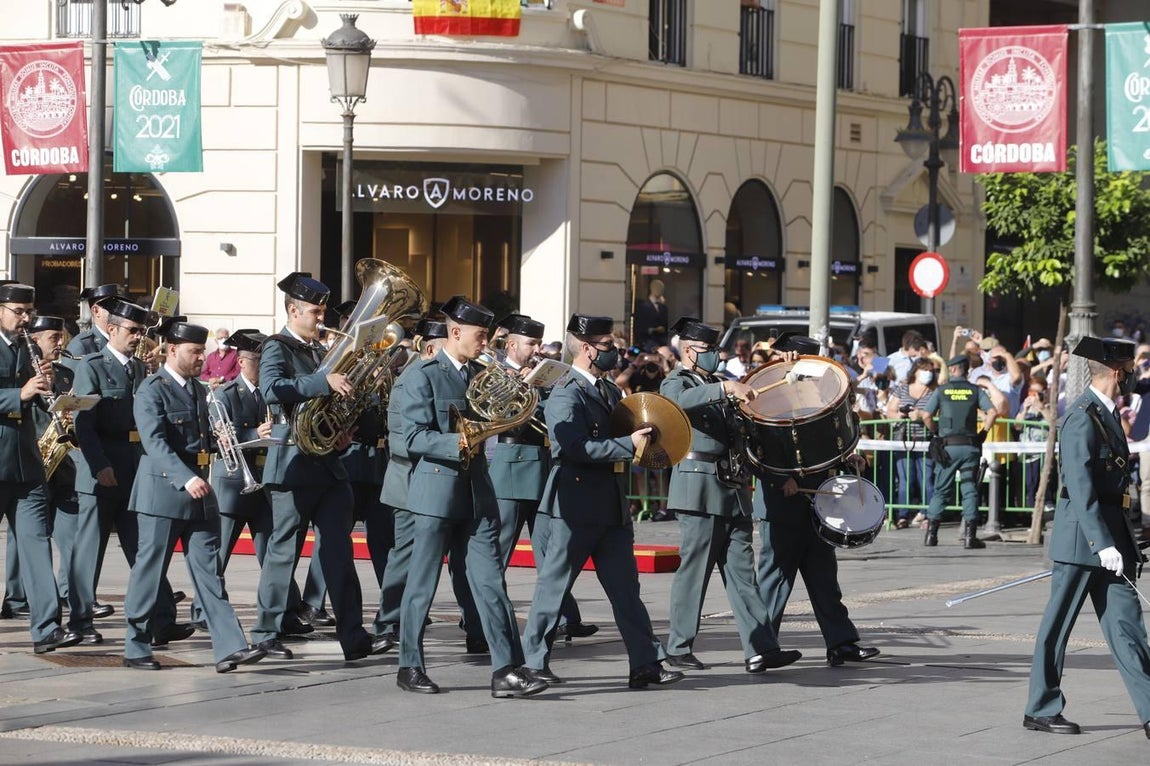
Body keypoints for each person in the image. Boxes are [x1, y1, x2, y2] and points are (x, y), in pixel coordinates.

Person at [520, 313, 684, 690]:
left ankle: (646, 662)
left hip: (609, 505)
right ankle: (532, 663)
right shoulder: (566, 391)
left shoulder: (607, 389)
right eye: (608, 345)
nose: (615, 351)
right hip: (574, 505)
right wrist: (628, 445)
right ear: (588, 349)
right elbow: (572, 447)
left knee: (626, 590)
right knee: (554, 588)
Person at [392, 296, 544, 698]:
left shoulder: (481, 373)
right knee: (421, 584)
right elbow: (412, 438)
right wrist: (457, 441)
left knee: (491, 581)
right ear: (455, 332)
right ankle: (409, 665)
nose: (486, 343)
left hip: (477, 492)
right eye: (480, 335)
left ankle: (506, 669)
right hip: (436, 492)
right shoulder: (422, 375)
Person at [251, 272, 388, 663]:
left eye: (323, 311)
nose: (321, 317)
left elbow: (329, 405)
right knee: (282, 553)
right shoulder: (277, 346)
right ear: (294, 311)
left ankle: (353, 636)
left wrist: (343, 431)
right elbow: (272, 389)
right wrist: (323, 381)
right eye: (315, 311)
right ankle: (265, 632)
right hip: (292, 465)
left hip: (329, 465)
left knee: (339, 552)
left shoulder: (319, 351)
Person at [121, 320, 267, 673]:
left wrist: (225, 438)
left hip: (200, 493)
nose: (202, 357)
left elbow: (204, 439)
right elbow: (154, 442)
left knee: (210, 573)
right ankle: (136, 646)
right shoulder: (152, 390)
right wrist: (185, 478)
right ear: (172, 350)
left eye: (203, 351)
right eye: (194, 351)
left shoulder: (200, 391)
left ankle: (231, 646)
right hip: (163, 493)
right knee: (150, 571)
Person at [1024, 336, 1150, 739]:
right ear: (1115, 370)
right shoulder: (1082, 416)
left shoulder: (1106, 413)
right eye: (1129, 369)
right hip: (1083, 542)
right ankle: (1041, 708)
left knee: (1128, 628)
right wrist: (1102, 542)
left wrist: (1120, 542)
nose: (1132, 376)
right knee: (1057, 628)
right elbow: (1080, 487)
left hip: (1112, 542)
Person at [660, 317, 802, 673]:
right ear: (688, 351)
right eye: (708, 350)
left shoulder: (716, 384)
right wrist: (726, 389)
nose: (715, 356)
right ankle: (678, 646)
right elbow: (675, 403)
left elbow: (744, 427)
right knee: (695, 572)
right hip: (699, 488)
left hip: (732, 487)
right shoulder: (677, 381)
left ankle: (761, 648)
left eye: (716, 350)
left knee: (743, 575)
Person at [753, 333, 880, 668]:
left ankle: (841, 643)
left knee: (824, 578)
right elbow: (753, 450)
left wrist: (848, 461)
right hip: (781, 502)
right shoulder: (764, 395)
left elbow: (828, 443)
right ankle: (761, 647)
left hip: (818, 499)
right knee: (774, 580)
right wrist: (780, 480)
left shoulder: (819, 397)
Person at [70, 297, 187, 644]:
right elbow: (83, 423)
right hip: (103, 468)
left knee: (145, 549)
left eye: (141, 332)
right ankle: (80, 620)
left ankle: (161, 620)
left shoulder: (138, 368)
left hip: (135, 469)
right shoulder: (92, 366)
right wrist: (99, 465)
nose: (139, 337)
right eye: (133, 331)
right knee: (89, 551)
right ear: (112, 329)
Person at [488, 313, 597, 639]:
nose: (537, 349)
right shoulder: (494, 373)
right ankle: (480, 618)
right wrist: (522, 387)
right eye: (530, 343)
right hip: (510, 466)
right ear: (511, 345)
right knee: (499, 551)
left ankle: (564, 617)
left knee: (551, 550)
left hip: (542, 466)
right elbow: (497, 415)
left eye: (539, 343)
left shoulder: (544, 374)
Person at [0, 284, 81, 654]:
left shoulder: (26, 348)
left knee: (35, 545)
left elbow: (33, 402)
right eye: (18, 311)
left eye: (28, 311)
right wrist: (19, 394)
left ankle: (47, 627)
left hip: (27, 463)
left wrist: (49, 392)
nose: (25, 318)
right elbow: (18, 396)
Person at [27, 316, 82, 634]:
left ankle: (73, 600)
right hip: (31, 462)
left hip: (62, 466)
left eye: (61, 337)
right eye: (53, 338)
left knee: (72, 539)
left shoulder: (65, 374)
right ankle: (20, 599)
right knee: (31, 543)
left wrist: (73, 417)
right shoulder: (22, 371)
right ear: (34, 340)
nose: (60, 343)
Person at [919, 355, 998, 549]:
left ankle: (931, 535)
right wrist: (983, 433)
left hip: (947, 448)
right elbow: (993, 412)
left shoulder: (941, 391)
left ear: (953, 369)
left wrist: (936, 432)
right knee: (969, 488)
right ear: (966, 370)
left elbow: (926, 415)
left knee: (941, 489)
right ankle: (970, 538)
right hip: (970, 447)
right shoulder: (975, 391)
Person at [886, 358, 938, 528]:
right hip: (903, 439)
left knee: (926, 479)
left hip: (925, 440)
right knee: (905, 479)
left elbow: (939, 413)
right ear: (915, 371)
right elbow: (890, 410)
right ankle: (903, 515)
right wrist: (899, 415)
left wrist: (921, 414)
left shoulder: (934, 391)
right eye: (924, 369)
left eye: (930, 370)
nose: (928, 373)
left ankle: (928, 514)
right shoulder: (902, 388)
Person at [65, 284, 123, 359]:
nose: (120, 312)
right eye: (113, 307)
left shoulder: (123, 342)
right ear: (96, 311)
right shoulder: (81, 346)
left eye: (121, 307)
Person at [632, 278, 669, 351]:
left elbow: (665, 325)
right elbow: (638, 326)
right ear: (652, 289)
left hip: (661, 343)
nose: (660, 290)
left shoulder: (663, 307)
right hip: (646, 342)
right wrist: (653, 330)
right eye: (658, 288)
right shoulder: (642, 306)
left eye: (662, 289)